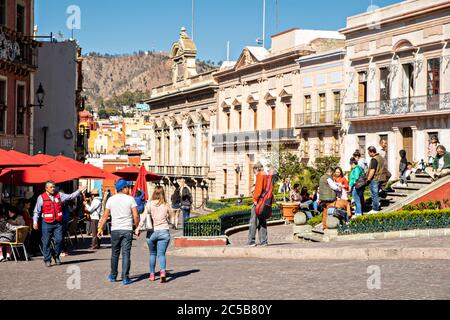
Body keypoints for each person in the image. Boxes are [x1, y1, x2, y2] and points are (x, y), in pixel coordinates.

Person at [33, 181, 86, 267]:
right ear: (46, 188)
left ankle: (56, 255)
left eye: (54, 187)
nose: (53, 189)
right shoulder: (41, 197)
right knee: (46, 242)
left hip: (58, 222)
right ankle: (47, 259)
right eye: (51, 187)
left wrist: (79, 191)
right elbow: (37, 211)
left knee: (59, 240)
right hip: (46, 223)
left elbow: (70, 196)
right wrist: (35, 222)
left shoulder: (59, 195)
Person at [97, 179, 140, 285]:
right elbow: (136, 215)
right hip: (127, 230)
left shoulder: (111, 200)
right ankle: (125, 277)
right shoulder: (130, 199)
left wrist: (100, 228)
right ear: (124, 188)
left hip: (115, 230)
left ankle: (113, 275)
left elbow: (105, 215)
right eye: (127, 187)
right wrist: (137, 227)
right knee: (126, 254)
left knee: (115, 254)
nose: (129, 189)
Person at [136, 186, 171, 283]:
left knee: (152, 254)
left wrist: (138, 228)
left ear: (154, 193)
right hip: (164, 232)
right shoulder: (166, 205)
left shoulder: (149, 204)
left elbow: (143, 217)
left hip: (152, 232)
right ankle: (163, 272)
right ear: (163, 193)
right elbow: (171, 219)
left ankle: (152, 275)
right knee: (161, 254)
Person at [247, 162, 271, 247]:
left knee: (253, 221)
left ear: (257, 169)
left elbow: (258, 189)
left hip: (259, 202)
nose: (255, 174)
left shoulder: (260, 175)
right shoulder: (267, 175)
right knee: (262, 222)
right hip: (265, 202)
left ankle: (251, 241)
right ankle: (264, 241)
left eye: (254, 172)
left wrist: (254, 199)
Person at [367, 146, 387, 214]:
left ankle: (375, 209)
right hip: (381, 178)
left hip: (375, 178)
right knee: (377, 193)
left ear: (372, 152)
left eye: (369, 152)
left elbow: (372, 170)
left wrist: (368, 179)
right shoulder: (381, 158)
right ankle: (377, 205)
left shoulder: (374, 159)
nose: (368, 154)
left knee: (374, 194)